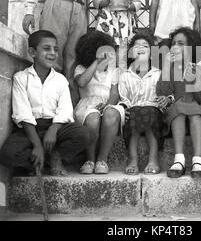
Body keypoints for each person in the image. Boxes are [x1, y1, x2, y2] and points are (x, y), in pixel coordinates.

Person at [0, 30, 93, 176]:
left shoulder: (60, 80)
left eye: (56, 49)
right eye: (46, 48)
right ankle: (42, 160)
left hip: (54, 127)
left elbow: (65, 110)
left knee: (85, 134)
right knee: (7, 154)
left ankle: (54, 157)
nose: (53, 53)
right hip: (29, 129)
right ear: (32, 52)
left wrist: (53, 129)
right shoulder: (21, 78)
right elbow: (23, 113)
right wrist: (36, 144)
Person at [156, 27, 201, 178]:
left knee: (194, 111)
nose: (175, 47)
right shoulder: (169, 69)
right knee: (179, 108)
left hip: (196, 113)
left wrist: (193, 80)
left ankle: (198, 160)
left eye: (181, 43)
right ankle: (179, 159)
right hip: (175, 113)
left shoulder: (200, 70)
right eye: (173, 43)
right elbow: (162, 92)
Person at [114, 32, 165, 175]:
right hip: (133, 111)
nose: (141, 48)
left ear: (151, 53)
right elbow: (124, 98)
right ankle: (133, 159)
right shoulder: (125, 75)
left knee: (149, 112)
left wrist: (162, 102)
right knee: (135, 113)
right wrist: (127, 108)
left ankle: (153, 159)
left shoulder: (159, 74)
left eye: (145, 46)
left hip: (154, 111)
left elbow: (164, 95)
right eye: (137, 46)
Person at [73, 30, 120, 174]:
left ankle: (102, 160)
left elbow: (114, 93)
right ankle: (90, 160)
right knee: (92, 118)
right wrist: (96, 63)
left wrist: (107, 105)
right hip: (87, 105)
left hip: (107, 104)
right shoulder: (81, 68)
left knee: (111, 114)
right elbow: (82, 82)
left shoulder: (114, 71)